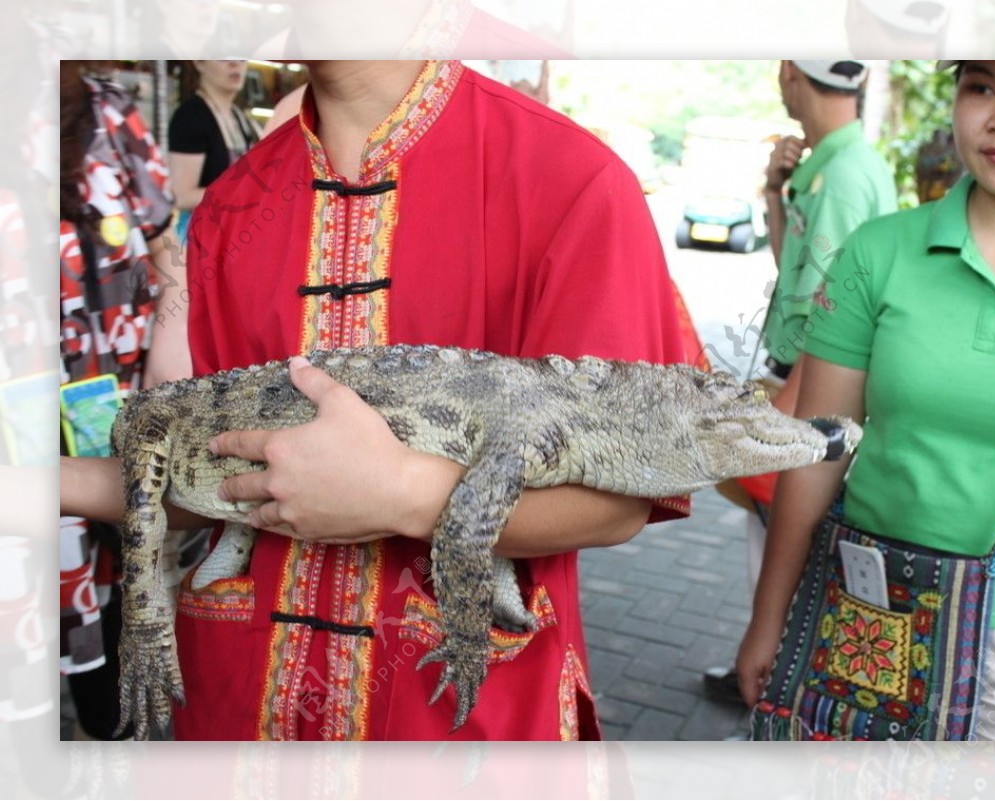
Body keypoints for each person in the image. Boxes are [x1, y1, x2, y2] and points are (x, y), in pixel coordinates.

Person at [60, 59, 689, 741]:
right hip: (240, 707)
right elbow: (220, 475)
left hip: (456, 720)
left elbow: (620, 494)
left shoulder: (571, 178)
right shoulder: (231, 206)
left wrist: (404, 494)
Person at [737, 60, 995, 741]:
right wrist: (768, 617)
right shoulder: (879, 253)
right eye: (980, 86)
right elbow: (814, 455)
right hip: (865, 614)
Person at [705, 59, 897, 703]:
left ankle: (771, 681)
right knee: (772, 533)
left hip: (811, 383)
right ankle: (768, 672)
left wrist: (791, 405)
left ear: (789, 73)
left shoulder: (843, 176)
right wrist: (773, 195)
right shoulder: (832, 168)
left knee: (782, 539)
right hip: (798, 376)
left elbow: (834, 312)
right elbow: (799, 271)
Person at [58, 61, 190, 740]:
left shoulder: (106, 112)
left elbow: (169, 257)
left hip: (112, 431)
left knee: (109, 681)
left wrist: (164, 390)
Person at [167, 60, 261, 244]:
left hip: (237, 235)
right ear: (199, 62)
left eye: (241, 57)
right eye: (223, 57)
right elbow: (181, 195)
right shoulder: (191, 116)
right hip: (203, 238)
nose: (235, 64)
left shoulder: (241, 119)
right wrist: (242, 192)